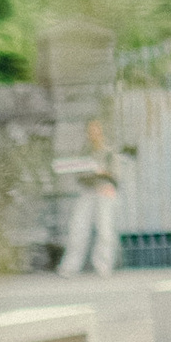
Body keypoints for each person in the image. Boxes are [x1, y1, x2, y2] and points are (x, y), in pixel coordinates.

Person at [55, 114, 122, 276]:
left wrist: (103, 173)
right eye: (90, 130)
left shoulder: (109, 152)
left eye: (96, 130)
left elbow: (116, 176)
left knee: (105, 230)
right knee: (78, 228)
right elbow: (79, 176)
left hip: (104, 191)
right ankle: (70, 266)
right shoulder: (85, 152)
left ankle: (103, 265)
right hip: (88, 191)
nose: (93, 133)